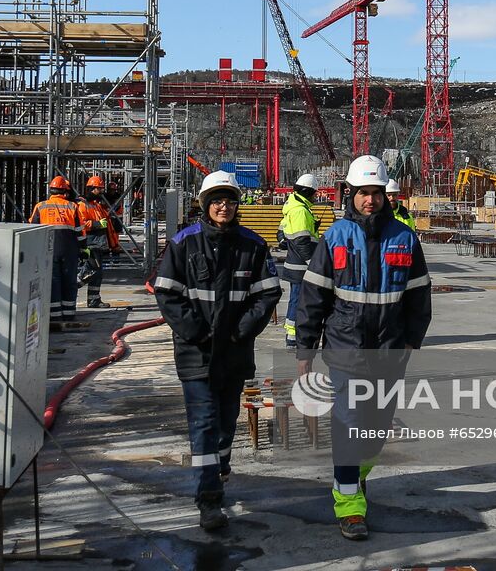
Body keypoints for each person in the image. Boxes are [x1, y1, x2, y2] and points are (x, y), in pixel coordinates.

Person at [297, 155, 432, 541]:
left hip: (390, 352)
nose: (369, 200)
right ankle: (351, 508)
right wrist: (305, 351)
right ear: (350, 194)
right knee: (349, 426)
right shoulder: (335, 237)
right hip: (345, 350)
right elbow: (313, 298)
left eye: (375, 193)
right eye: (362, 193)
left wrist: (410, 341)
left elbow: (419, 297)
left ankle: (352, 477)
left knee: (374, 432)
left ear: (384, 195)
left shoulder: (405, 238)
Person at [153, 170, 281, 532]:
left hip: (235, 353)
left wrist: (242, 331)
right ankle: (209, 500)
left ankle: (220, 466)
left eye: (229, 200)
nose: (224, 207)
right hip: (196, 353)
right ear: (205, 204)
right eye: (217, 201)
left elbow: (268, 293)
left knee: (225, 424)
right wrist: (194, 330)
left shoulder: (253, 246)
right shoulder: (183, 244)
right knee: (205, 426)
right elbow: (167, 292)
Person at [30, 175, 83, 330]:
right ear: (65, 192)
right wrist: (83, 248)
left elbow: (31, 229)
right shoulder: (73, 207)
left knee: (53, 282)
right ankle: (69, 313)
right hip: (69, 249)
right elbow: (80, 231)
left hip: (48, 250)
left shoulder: (41, 206)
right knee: (69, 281)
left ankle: (54, 315)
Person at [278, 172, 322, 349]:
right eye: (314, 193)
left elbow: (281, 235)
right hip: (301, 266)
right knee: (300, 301)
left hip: (294, 262)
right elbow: (302, 242)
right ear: (308, 192)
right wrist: (313, 263)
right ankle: (293, 336)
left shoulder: (292, 207)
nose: (315, 196)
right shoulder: (300, 211)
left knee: (296, 299)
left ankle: (292, 334)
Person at [81, 174, 118, 309]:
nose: (102, 191)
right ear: (92, 189)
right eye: (99, 189)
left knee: (97, 272)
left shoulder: (96, 205)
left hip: (98, 243)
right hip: (90, 243)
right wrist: (97, 224)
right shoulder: (82, 205)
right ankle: (71, 288)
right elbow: (81, 224)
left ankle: (94, 300)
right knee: (91, 271)